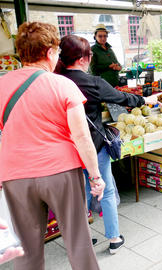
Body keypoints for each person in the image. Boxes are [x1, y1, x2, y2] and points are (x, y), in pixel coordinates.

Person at [0, 22, 105, 270]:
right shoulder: (63, 85)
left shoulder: (1, 85)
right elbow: (82, 138)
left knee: (26, 249)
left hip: (15, 175)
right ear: (49, 52)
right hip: (62, 172)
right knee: (78, 241)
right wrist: (95, 176)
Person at [56, 34, 161, 254]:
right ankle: (114, 238)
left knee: (81, 194)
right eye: (90, 54)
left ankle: (81, 240)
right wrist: (145, 100)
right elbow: (121, 98)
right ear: (83, 58)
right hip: (93, 147)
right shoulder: (92, 82)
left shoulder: (55, 80)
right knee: (106, 190)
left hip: (65, 150)